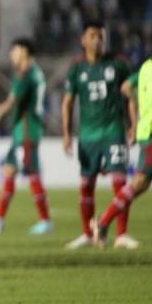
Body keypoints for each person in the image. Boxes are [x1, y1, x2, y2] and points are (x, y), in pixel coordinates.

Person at [61, 22, 136, 249]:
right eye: (93, 36)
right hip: (87, 135)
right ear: (83, 40)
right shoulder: (76, 69)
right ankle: (87, 234)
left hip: (113, 129)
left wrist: (134, 123)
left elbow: (130, 94)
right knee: (86, 184)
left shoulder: (119, 64)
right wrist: (66, 133)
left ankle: (121, 235)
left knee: (120, 181)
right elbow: (68, 102)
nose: (98, 40)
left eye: (101, 36)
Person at [0, 39, 53, 235]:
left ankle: (45, 221)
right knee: (9, 171)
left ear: (25, 52)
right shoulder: (31, 73)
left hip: (27, 132)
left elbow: (11, 104)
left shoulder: (27, 75)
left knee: (32, 174)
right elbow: (16, 103)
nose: (11, 55)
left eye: (14, 51)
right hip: (23, 131)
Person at [92, 54, 152, 247]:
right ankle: (103, 222)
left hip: (147, 129)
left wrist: (137, 120)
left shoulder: (146, 66)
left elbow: (126, 87)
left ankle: (103, 221)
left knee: (141, 184)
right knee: (140, 181)